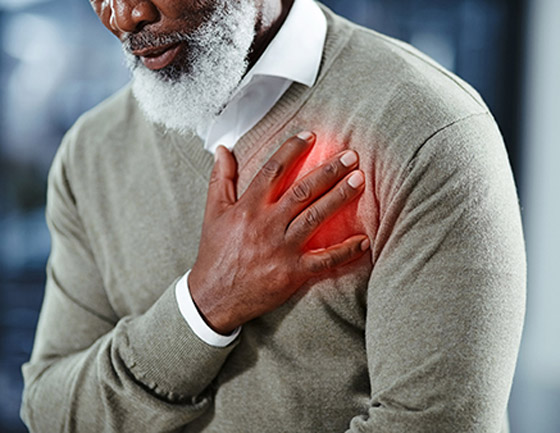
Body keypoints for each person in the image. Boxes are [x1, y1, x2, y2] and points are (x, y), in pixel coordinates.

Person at [20, 0, 526, 431]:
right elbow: (49, 412)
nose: (124, 15)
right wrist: (202, 308)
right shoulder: (92, 151)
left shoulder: (426, 132)